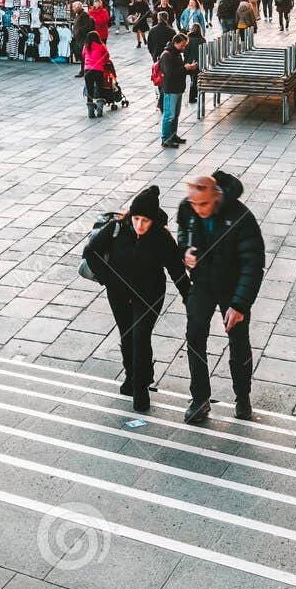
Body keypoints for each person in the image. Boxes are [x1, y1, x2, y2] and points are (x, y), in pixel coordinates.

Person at [83, 185, 190, 413]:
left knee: (141, 336)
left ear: (154, 220)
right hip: (119, 294)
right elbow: (90, 252)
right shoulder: (117, 228)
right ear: (131, 216)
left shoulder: (161, 237)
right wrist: (108, 280)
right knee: (127, 334)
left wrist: (188, 296)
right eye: (137, 219)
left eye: (146, 221)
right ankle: (132, 376)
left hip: (150, 294)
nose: (140, 225)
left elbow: (175, 269)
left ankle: (141, 387)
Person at [176, 171, 264, 424]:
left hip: (232, 286)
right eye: (194, 204)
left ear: (216, 196)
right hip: (202, 282)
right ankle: (200, 398)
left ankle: (242, 397)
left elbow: (253, 264)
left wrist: (239, 304)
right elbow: (183, 229)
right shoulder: (188, 206)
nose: (198, 209)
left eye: (203, 204)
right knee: (194, 336)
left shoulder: (241, 217)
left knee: (238, 340)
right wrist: (186, 251)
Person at [157, 32, 191, 148]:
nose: (184, 47)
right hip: (170, 89)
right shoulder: (167, 55)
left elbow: (178, 70)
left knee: (176, 114)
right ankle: (166, 139)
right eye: (182, 45)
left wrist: (188, 68)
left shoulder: (176, 53)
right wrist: (184, 68)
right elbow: (169, 74)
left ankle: (173, 135)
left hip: (178, 88)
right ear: (175, 43)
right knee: (169, 115)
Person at [82, 30, 112, 118]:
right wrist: (103, 62)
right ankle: (100, 111)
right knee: (100, 88)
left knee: (89, 90)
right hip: (98, 69)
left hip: (87, 70)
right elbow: (107, 56)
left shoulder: (86, 46)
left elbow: (83, 56)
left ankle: (90, 112)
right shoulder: (101, 46)